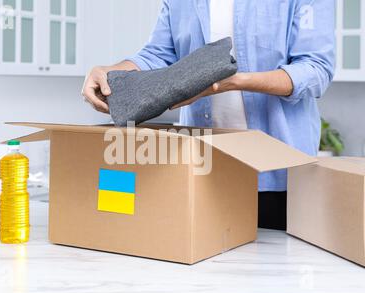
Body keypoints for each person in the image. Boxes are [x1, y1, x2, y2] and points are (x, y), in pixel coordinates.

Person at [82, 0, 336, 231]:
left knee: (277, 269)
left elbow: (315, 70)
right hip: (203, 170)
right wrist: (112, 73)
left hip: (279, 173)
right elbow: (158, 55)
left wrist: (233, 81)